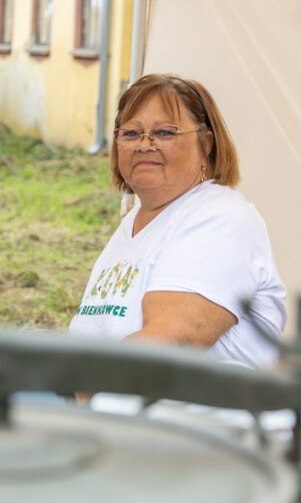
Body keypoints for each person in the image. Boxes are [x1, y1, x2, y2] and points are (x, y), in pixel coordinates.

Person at [68, 73, 286, 367]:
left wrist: (70, 378)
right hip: (112, 408)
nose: (145, 145)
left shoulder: (221, 217)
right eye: (131, 134)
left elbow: (171, 344)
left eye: (165, 133)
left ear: (206, 144)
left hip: (197, 412)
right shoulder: (134, 224)